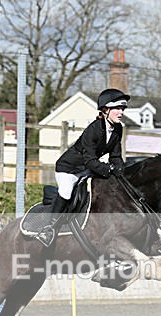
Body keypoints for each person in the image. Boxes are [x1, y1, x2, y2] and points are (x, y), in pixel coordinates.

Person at [37, 88, 130, 246]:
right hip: (69, 169)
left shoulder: (118, 129)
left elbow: (115, 155)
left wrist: (121, 171)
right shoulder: (93, 129)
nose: (121, 112)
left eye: (122, 109)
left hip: (87, 169)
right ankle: (49, 228)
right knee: (66, 193)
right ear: (105, 110)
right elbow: (90, 160)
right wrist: (108, 170)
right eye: (117, 108)